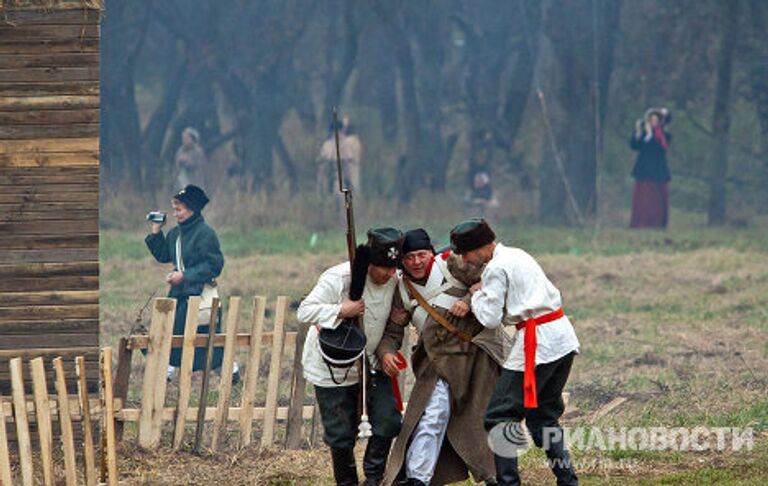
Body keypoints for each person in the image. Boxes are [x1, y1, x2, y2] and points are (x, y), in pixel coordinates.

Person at [451, 218, 580, 486]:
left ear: (479, 248)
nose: (463, 260)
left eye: (464, 253)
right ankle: (568, 481)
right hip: (563, 339)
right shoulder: (517, 254)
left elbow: (488, 318)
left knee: (499, 415)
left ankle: (508, 483)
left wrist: (475, 295)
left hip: (539, 343)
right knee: (543, 416)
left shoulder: (495, 269)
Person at [381, 229, 508, 486]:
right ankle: (418, 478)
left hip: (474, 360)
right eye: (409, 257)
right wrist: (386, 352)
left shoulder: (452, 265)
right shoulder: (401, 289)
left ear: (431, 253)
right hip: (436, 363)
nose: (416, 262)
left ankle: (496, 475)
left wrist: (471, 298)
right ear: (401, 261)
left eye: (421, 255)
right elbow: (392, 332)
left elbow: (493, 282)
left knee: (483, 417)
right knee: (432, 416)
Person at [297, 228, 405, 486]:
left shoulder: (396, 278)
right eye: (384, 268)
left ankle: (373, 480)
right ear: (369, 263)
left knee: (388, 421)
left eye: (393, 268)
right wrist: (342, 310)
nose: (390, 274)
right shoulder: (339, 277)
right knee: (340, 435)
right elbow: (305, 311)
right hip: (333, 364)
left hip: (373, 361)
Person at [145, 185, 237, 382]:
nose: (175, 213)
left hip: (200, 295)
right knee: (171, 331)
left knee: (201, 339)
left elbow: (214, 265)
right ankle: (166, 373)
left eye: (179, 209)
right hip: (179, 294)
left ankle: (230, 371)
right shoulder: (175, 234)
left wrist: (185, 275)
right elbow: (163, 254)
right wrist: (156, 231)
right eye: (174, 209)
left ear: (192, 209)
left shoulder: (205, 233)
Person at [629, 107, 672, 228]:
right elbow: (635, 146)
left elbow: (658, 149)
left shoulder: (664, 135)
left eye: (655, 120)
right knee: (642, 199)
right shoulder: (644, 133)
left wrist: (650, 135)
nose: (652, 122)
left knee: (655, 199)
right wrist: (638, 132)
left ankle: (656, 223)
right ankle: (639, 222)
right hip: (644, 170)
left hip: (657, 171)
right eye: (651, 120)